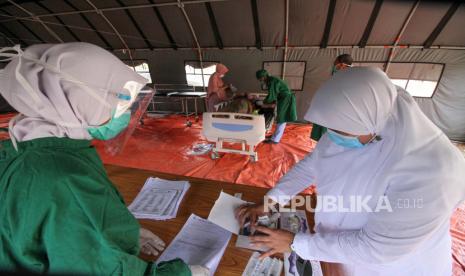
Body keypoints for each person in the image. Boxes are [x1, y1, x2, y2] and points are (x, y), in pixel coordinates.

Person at [0, 43, 207, 276]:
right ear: (79, 100)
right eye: (118, 100)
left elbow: (47, 232)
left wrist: (122, 232)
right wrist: (182, 273)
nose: (125, 112)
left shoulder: (20, 149)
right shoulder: (63, 177)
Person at [236, 67, 465, 275]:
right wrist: (270, 201)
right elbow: (313, 164)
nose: (332, 135)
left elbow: (376, 249)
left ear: (368, 123)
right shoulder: (365, 116)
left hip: (392, 267)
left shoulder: (434, 170)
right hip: (338, 249)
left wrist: (297, 244)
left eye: (338, 129)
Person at [310, 53, 353, 142]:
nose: (334, 67)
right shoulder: (340, 76)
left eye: (336, 65)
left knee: (333, 137)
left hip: (339, 113)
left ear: (342, 65)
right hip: (330, 109)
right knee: (325, 135)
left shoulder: (351, 77)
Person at [256, 69, 297, 144]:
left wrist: (262, 103)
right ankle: (275, 136)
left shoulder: (272, 81)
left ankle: (275, 140)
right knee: (281, 117)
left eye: (260, 78)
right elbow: (273, 94)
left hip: (286, 99)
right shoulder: (270, 80)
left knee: (282, 118)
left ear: (263, 76)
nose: (260, 80)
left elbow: (272, 95)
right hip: (283, 98)